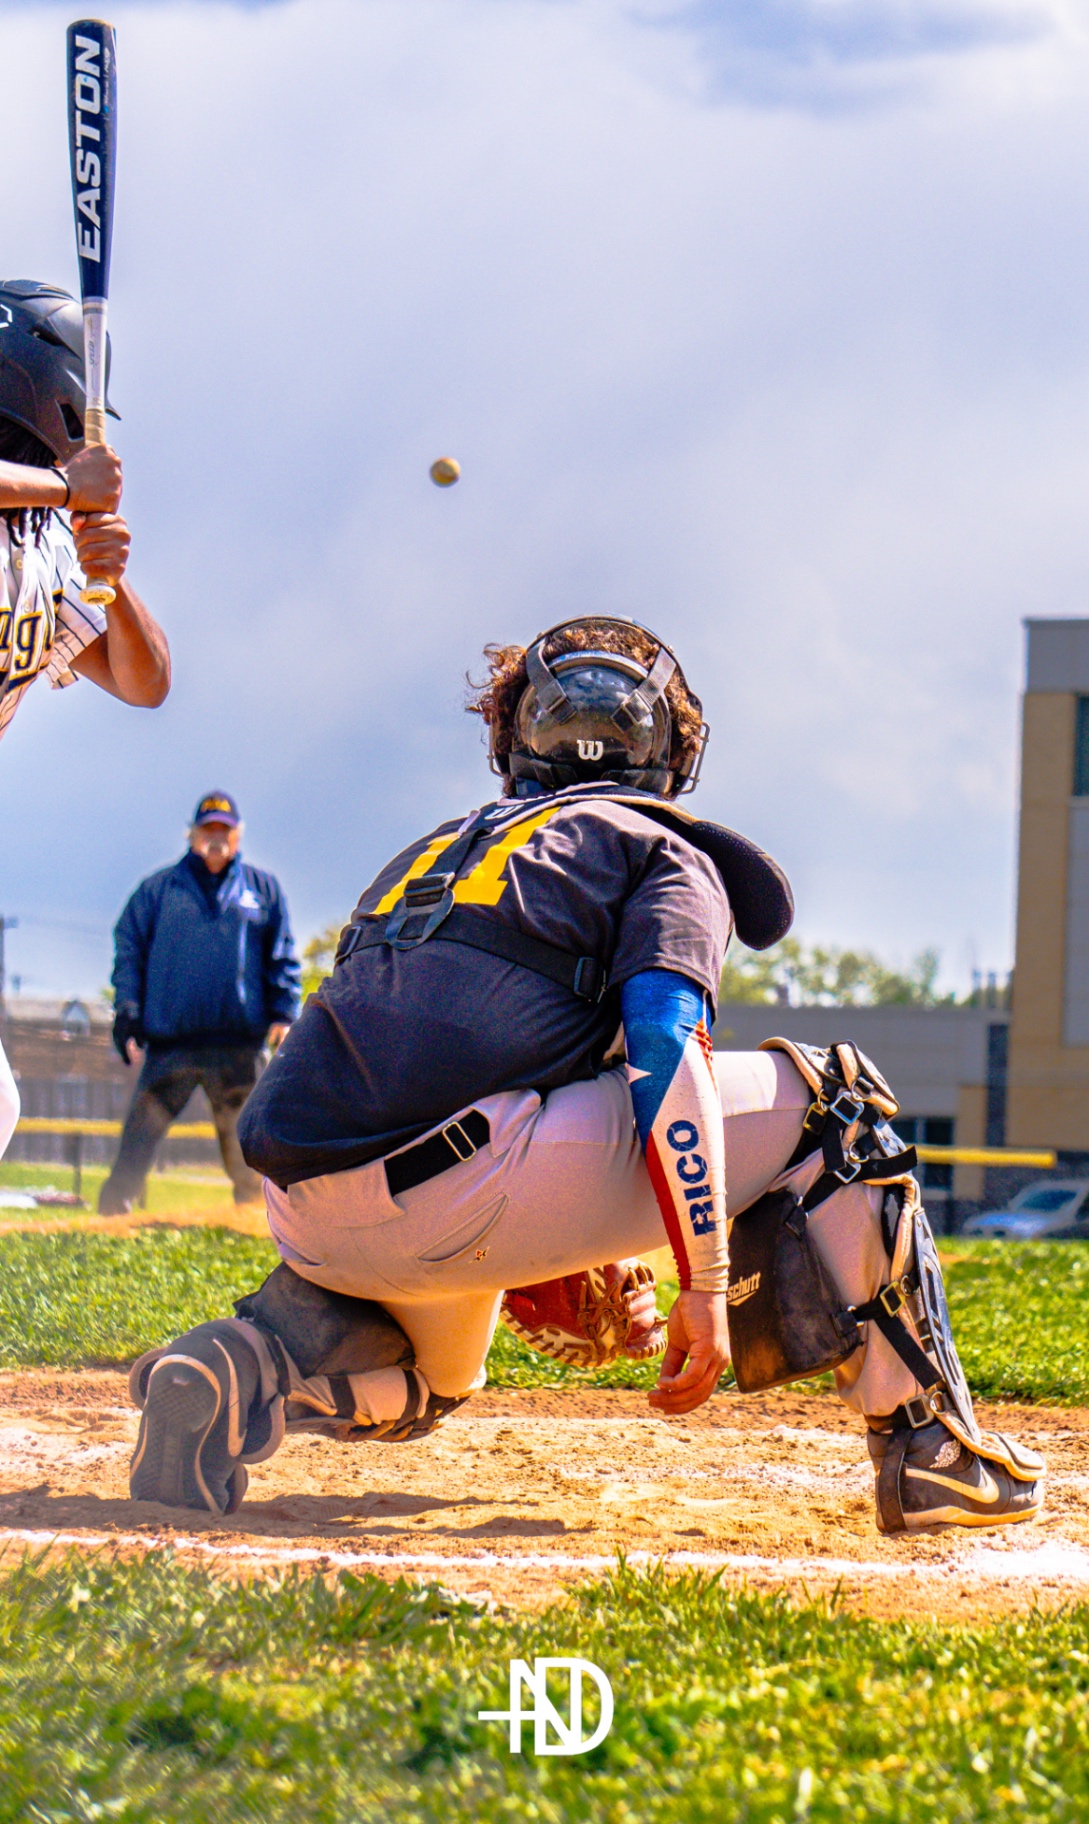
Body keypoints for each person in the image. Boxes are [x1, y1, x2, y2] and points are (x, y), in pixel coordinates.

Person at [127, 618, 1043, 1538]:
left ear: (508, 742)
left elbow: (451, 1042)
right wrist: (701, 1279)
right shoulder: (657, 843)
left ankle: (246, 1372)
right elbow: (663, 1046)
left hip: (307, 1209)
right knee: (836, 1100)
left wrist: (561, 1231)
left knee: (437, 1381)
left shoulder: (437, 852)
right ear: (673, 750)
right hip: (469, 1182)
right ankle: (931, 1447)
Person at [0, 279, 170, 1163]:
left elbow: (144, 682)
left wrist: (111, 562)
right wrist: (67, 488)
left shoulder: (43, 539)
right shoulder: (39, 502)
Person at [98, 792, 300, 1214]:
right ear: (192, 834)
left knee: (247, 1142)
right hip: (173, 1042)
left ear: (237, 836)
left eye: (224, 830)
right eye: (208, 829)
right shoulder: (158, 890)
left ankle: (253, 1221)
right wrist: (128, 1008)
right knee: (140, 1135)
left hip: (239, 1045)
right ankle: (114, 1213)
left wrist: (284, 1012)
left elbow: (281, 955)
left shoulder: (262, 890)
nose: (215, 838)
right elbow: (129, 947)